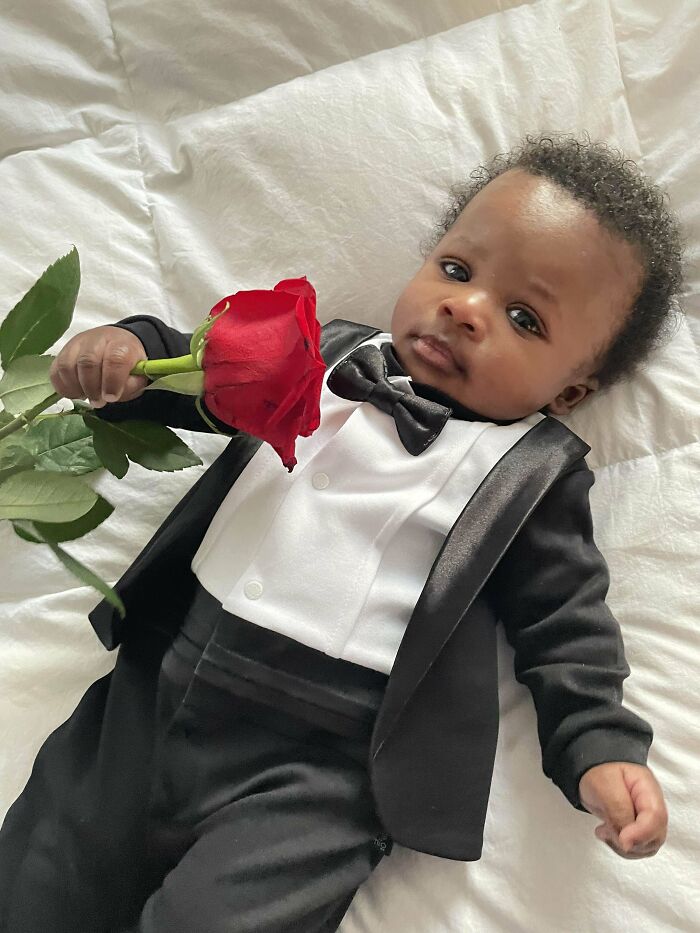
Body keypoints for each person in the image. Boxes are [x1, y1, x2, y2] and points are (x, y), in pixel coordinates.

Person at [0, 135, 681, 933]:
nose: (466, 307)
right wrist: (125, 357)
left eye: (524, 317)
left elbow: (567, 626)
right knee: (42, 869)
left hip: (318, 765)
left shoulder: (531, 474)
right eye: (458, 270)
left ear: (569, 391)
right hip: (155, 683)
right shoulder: (313, 354)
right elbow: (188, 375)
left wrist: (601, 746)